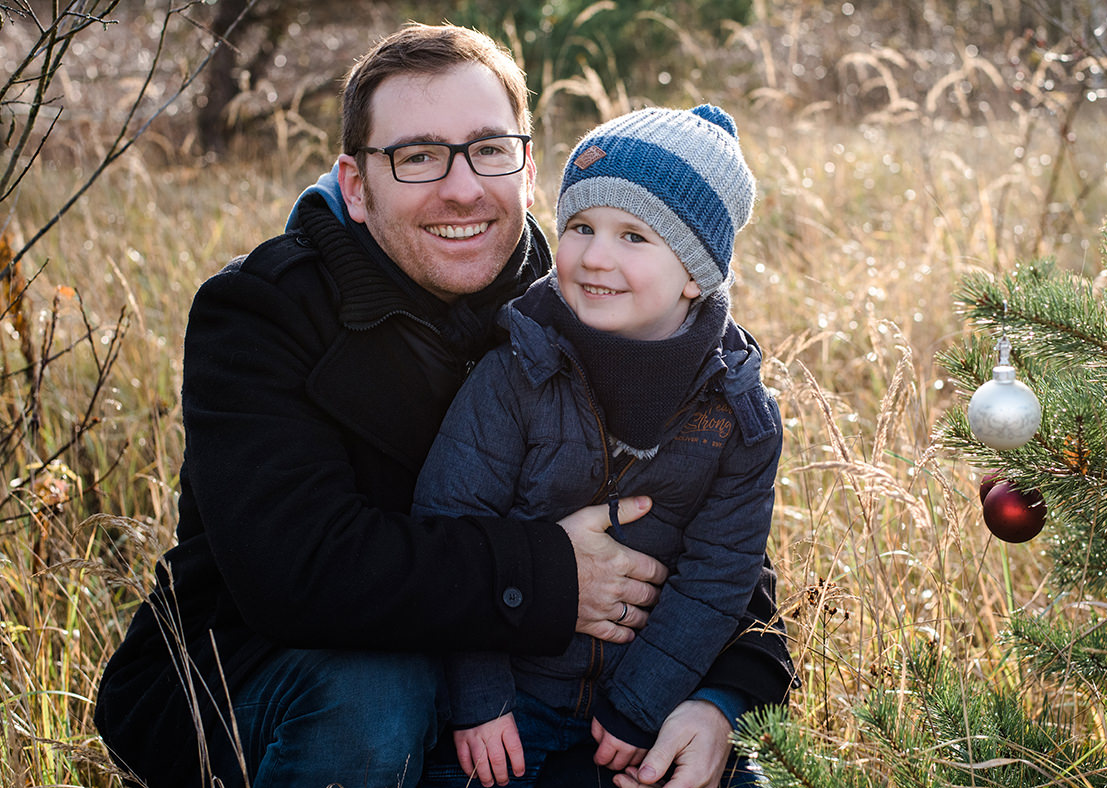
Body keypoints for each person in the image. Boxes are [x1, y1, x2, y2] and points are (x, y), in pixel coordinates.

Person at [94, 22, 795, 788]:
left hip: (552, 695)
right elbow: (294, 572)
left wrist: (726, 698)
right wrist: (553, 577)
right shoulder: (262, 313)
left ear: (527, 171)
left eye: (489, 150)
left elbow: (721, 541)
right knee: (379, 689)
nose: (462, 187)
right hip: (267, 679)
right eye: (418, 156)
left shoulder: (607, 297)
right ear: (356, 185)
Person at [413, 104, 782, 788]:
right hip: (507, 704)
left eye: (634, 237)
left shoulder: (736, 410)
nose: (594, 256)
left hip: (641, 704)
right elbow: (453, 522)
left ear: (696, 273)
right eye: (580, 227)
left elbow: (721, 572)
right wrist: (478, 699)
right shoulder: (517, 369)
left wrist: (640, 706)